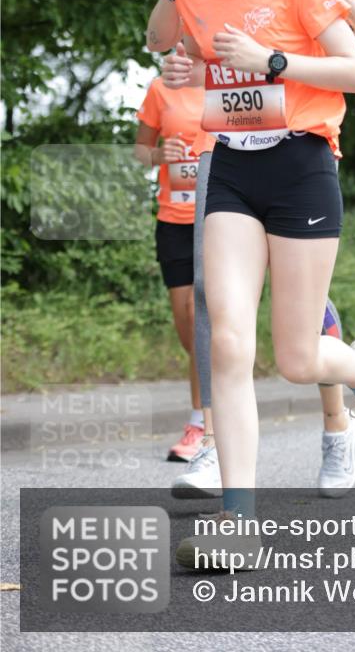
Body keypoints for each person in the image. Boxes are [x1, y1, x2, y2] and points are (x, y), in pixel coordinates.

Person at [168, 0, 355, 569]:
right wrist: (188, 64)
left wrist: (272, 61)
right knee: (228, 342)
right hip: (232, 168)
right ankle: (237, 523)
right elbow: (191, 52)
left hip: (302, 166)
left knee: (298, 359)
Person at [134, 74, 212, 461]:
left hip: (218, 217)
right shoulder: (161, 88)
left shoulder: (227, 79)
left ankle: (200, 424)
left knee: (199, 320)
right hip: (173, 222)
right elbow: (140, 150)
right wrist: (158, 156)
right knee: (188, 332)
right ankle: (218, 396)